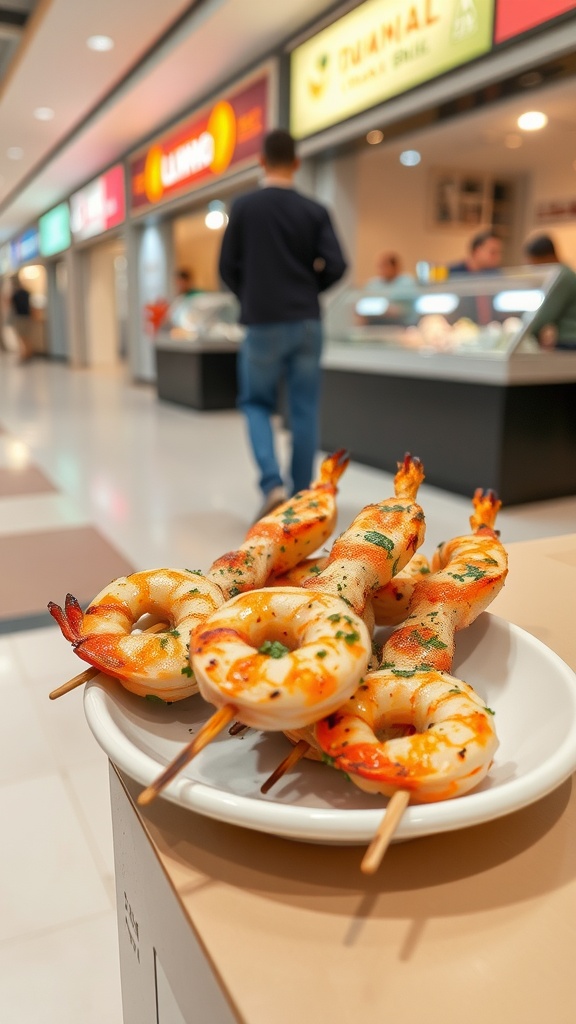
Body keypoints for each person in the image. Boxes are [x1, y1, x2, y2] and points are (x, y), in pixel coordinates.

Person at [218, 128, 347, 518]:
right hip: (307, 321)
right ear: (296, 162)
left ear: (261, 161)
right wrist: (310, 290)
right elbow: (338, 265)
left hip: (262, 323)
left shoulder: (244, 208)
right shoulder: (315, 210)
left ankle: (272, 486)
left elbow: (226, 267)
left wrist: (250, 297)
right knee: (304, 409)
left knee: (256, 403)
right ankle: (304, 497)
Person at [523, 233, 576, 350]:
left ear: (546, 257)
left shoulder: (562, 276)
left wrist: (523, 330)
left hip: (570, 342)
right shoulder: (563, 273)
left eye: (535, 263)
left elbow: (545, 314)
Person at [9, 273, 34, 360]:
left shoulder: (15, 294)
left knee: (22, 337)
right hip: (27, 316)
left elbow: (10, 304)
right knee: (27, 337)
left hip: (20, 317)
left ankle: (24, 355)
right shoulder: (26, 292)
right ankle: (28, 354)